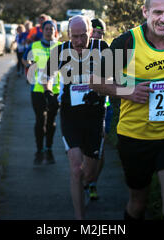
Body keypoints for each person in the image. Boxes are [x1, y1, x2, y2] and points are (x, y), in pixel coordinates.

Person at [89, 0, 164, 220]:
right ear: (145, 12)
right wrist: (128, 92)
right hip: (135, 137)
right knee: (138, 203)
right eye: (157, 12)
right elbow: (95, 82)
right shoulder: (127, 42)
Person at [44, 15, 109, 220]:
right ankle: (80, 219)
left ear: (90, 32)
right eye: (75, 37)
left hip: (95, 115)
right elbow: (47, 76)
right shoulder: (61, 51)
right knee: (75, 168)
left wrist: (99, 90)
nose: (79, 42)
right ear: (68, 34)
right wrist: (49, 92)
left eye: (83, 36)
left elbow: (113, 77)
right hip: (71, 115)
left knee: (89, 173)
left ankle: (83, 188)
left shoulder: (102, 47)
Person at [23, 20, 61, 165]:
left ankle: (49, 148)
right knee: (40, 120)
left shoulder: (60, 47)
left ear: (55, 31)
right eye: (46, 29)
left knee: (51, 121)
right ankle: (39, 150)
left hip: (55, 90)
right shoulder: (35, 45)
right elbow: (24, 59)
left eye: (52, 29)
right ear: (42, 30)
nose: (49, 31)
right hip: (38, 90)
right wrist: (31, 66)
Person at [86, 17, 109, 201]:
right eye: (95, 32)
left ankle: (93, 182)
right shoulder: (78, 48)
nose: (98, 36)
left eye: (101, 33)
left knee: (100, 149)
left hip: (103, 104)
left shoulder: (106, 48)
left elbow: (114, 75)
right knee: (85, 147)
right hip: (81, 105)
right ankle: (84, 180)